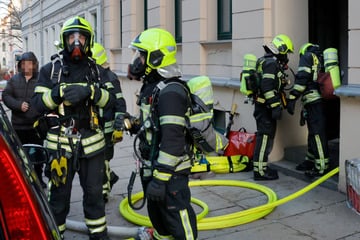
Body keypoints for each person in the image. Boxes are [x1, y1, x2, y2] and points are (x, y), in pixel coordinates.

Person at [32, 16, 114, 240]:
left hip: (93, 148)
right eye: (71, 37)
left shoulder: (97, 71)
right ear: (64, 40)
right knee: (58, 199)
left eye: (81, 38)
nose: (76, 43)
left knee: (95, 198)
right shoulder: (50, 71)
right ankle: (55, 235)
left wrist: (92, 92)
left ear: (89, 41)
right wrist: (56, 94)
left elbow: (113, 101)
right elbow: (36, 105)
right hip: (60, 148)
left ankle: (99, 235)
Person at [128, 28, 197, 239]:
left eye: (141, 55)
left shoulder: (171, 92)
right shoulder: (155, 88)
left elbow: (173, 142)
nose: (137, 61)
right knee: (160, 220)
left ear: (155, 58)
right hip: (154, 166)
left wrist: (160, 179)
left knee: (178, 220)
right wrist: (136, 125)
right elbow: (156, 124)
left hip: (170, 174)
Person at [252, 34, 294, 181]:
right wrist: (275, 106)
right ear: (281, 49)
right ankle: (260, 171)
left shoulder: (265, 61)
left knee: (266, 137)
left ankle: (262, 166)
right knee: (264, 138)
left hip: (263, 106)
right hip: (265, 108)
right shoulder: (270, 63)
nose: (286, 56)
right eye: (286, 52)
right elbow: (267, 87)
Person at [2, 51, 47, 188]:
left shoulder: (41, 80)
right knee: (20, 156)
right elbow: (6, 97)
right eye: (23, 64)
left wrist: (36, 110)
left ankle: (38, 179)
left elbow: (46, 99)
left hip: (36, 127)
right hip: (19, 127)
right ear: (20, 65)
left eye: (29, 63)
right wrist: (18, 105)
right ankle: (23, 181)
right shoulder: (14, 80)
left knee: (37, 155)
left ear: (34, 65)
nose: (26, 66)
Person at [287, 43, 330, 177]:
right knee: (313, 132)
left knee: (316, 134)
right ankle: (310, 160)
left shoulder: (307, 56)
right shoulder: (319, 58)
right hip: (317, 101)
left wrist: (293, 97)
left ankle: (322, 166)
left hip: (313, 101)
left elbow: (302, 78)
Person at [91, 42, 126, 202]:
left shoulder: (109, 77)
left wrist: (119, 123)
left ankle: (103, 193)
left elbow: (120, 102)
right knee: (98, 161)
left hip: (107, 128)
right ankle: (109, 179)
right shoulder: (93, 75)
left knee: (102, 160)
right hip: (95, 127)